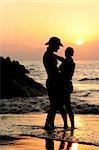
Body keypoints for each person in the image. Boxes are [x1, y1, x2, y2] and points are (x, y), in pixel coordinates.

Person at [43, 37, 68, 130]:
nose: (59, 48)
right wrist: (62, 67)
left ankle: (50, 125)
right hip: (54, 82)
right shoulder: (49, 56)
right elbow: (54, 71)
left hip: (52, 82)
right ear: (54, 45)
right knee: (56, 105)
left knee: (54, 105)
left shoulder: (49, 55)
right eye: (58, 46)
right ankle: (48, 125)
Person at [55, 47, 75, 128]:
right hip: (67, 85)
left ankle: (67, 124)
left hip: (64, 85)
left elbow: (61, 65)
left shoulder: (68, 62)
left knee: (63, 105)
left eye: (67, 53)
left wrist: (54, 56)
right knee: (67, 105)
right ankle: (71, 124)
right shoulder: (70, 62)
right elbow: (62, 59)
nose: (66, 54)